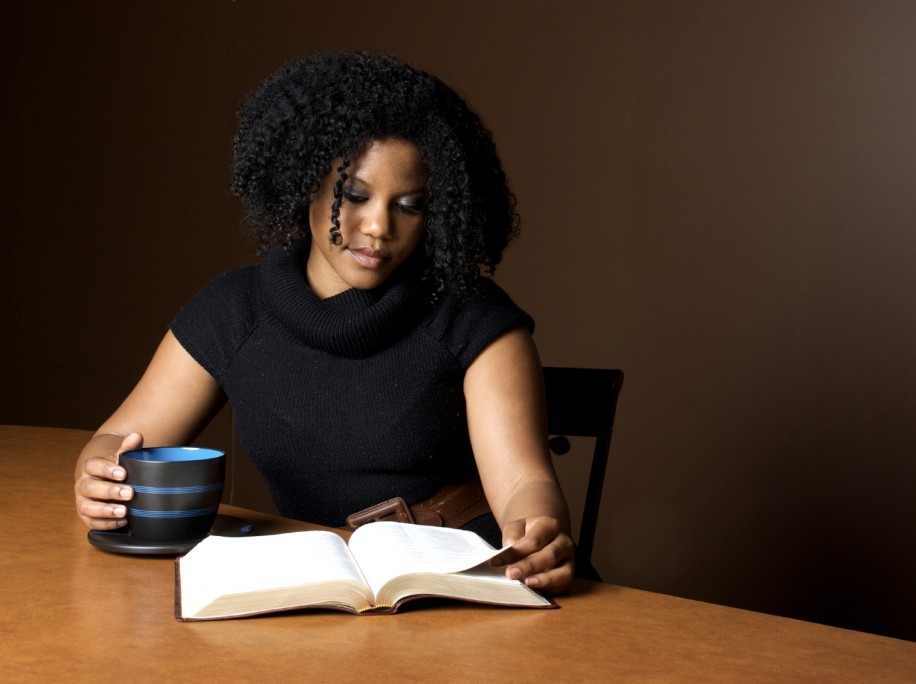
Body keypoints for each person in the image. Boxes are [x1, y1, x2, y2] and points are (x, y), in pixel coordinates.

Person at [73, 51, 574, 593]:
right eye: (354, 196)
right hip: (330, 587)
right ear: (305, 182)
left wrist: (538, 531)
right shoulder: (234, 310)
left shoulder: (473, 316)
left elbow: (524, 482)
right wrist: (100, 475)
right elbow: (120, 437)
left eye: (409, 205)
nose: (379, 225)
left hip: (469, 579)